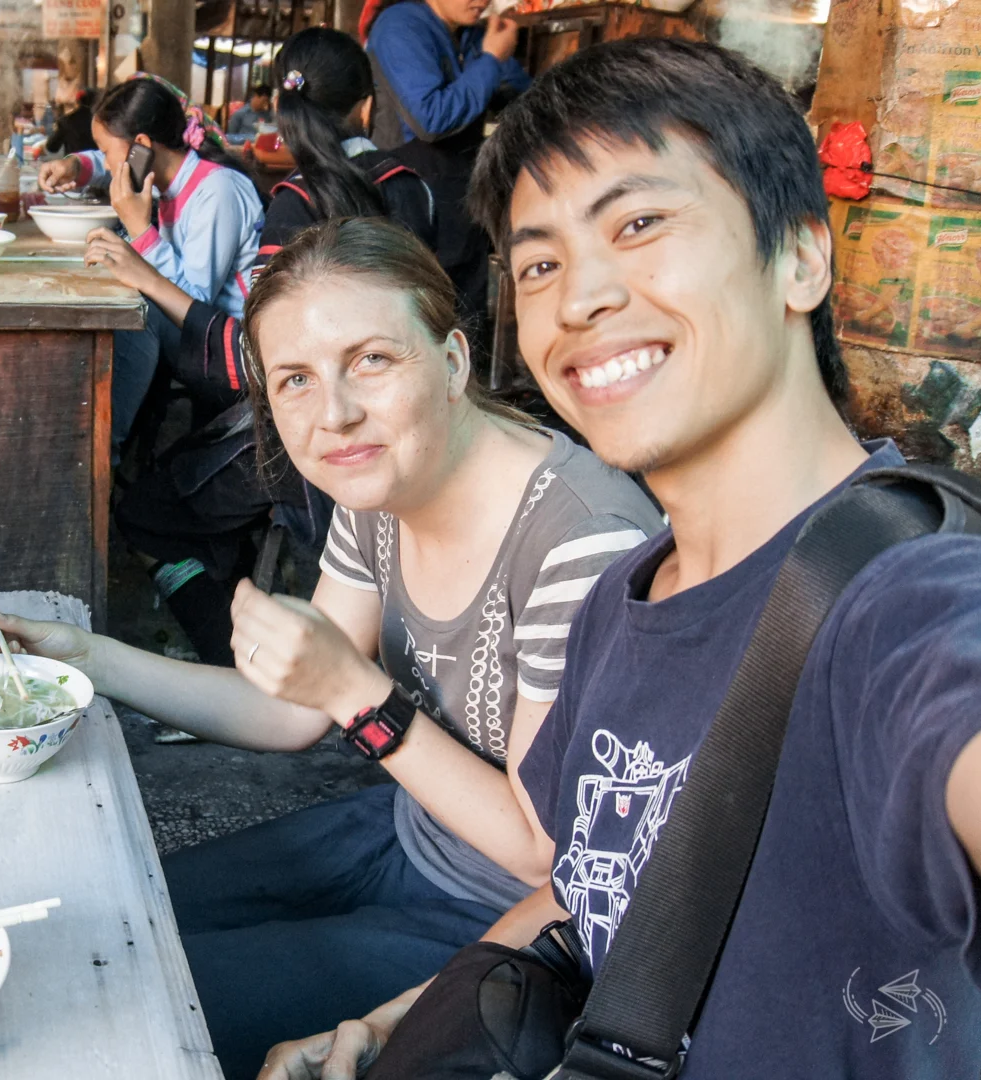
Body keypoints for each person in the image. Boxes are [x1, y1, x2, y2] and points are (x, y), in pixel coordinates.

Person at [258, 39, 981, 1080]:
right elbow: (590, 885)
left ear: (799, 258)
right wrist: (395, 1023)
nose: (579, 296)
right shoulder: (621, 597)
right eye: (538, 261)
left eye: (638, 224)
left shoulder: (904, 607)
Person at [0, 218, 661, 1078]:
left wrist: (359, 695)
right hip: (399, 833)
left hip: (514, 919)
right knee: (90, 922)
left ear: (452, 362)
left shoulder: (578, 543)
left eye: (372, 360)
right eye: (295, 380)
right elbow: (290, 710)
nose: (334, 413)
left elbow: (541, 850)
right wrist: (85, 659)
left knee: (112, 993)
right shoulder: (378, 477)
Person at [92, 27, 444, 666]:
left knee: (145, 513)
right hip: (410, 429)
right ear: (365, 106)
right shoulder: (411, 188)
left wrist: (146, 275)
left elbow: (253, 365)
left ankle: (237, 663)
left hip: (303, 444)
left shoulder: (294, 207)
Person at [39, 75, 263, 453]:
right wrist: (77, 165)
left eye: (106, 152)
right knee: (126, 291)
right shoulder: (172, 176)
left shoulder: (216, 192)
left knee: (139, 313)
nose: (107, 165)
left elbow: (194, 306)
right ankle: (103, 439)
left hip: (230, 348)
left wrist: (140, 230)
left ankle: (103, 451)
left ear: (141, 146)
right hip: (203, 334)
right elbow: (110, 158)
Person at [361, 0, 529, 328]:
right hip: (414, 190)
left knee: (468, 313)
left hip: (462, 191)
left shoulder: (472, 33)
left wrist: (497, 61)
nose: (482, 1)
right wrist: (492, 59)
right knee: (423, 315)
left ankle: (471, 376)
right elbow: (432, 119)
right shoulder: (400, 26)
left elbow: (523, 94)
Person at [43, 87, 98, 156]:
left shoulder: (65, 121)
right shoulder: (100, 121)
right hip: (95, 164)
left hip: (74, 164)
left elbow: (52, 147)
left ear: (77, 101)